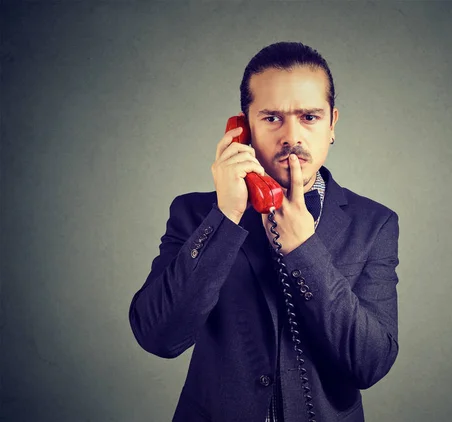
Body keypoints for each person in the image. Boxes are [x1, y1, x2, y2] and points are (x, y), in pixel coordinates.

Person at [129, 41, 400, 422]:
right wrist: (226, 215)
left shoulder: (374, 223)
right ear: (244, 126)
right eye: (272, 118)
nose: (292, 136)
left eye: (309, 117)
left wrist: (305, 250)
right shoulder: (194, 214)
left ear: (332, 124)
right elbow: (158, 336)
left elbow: (371, 363)